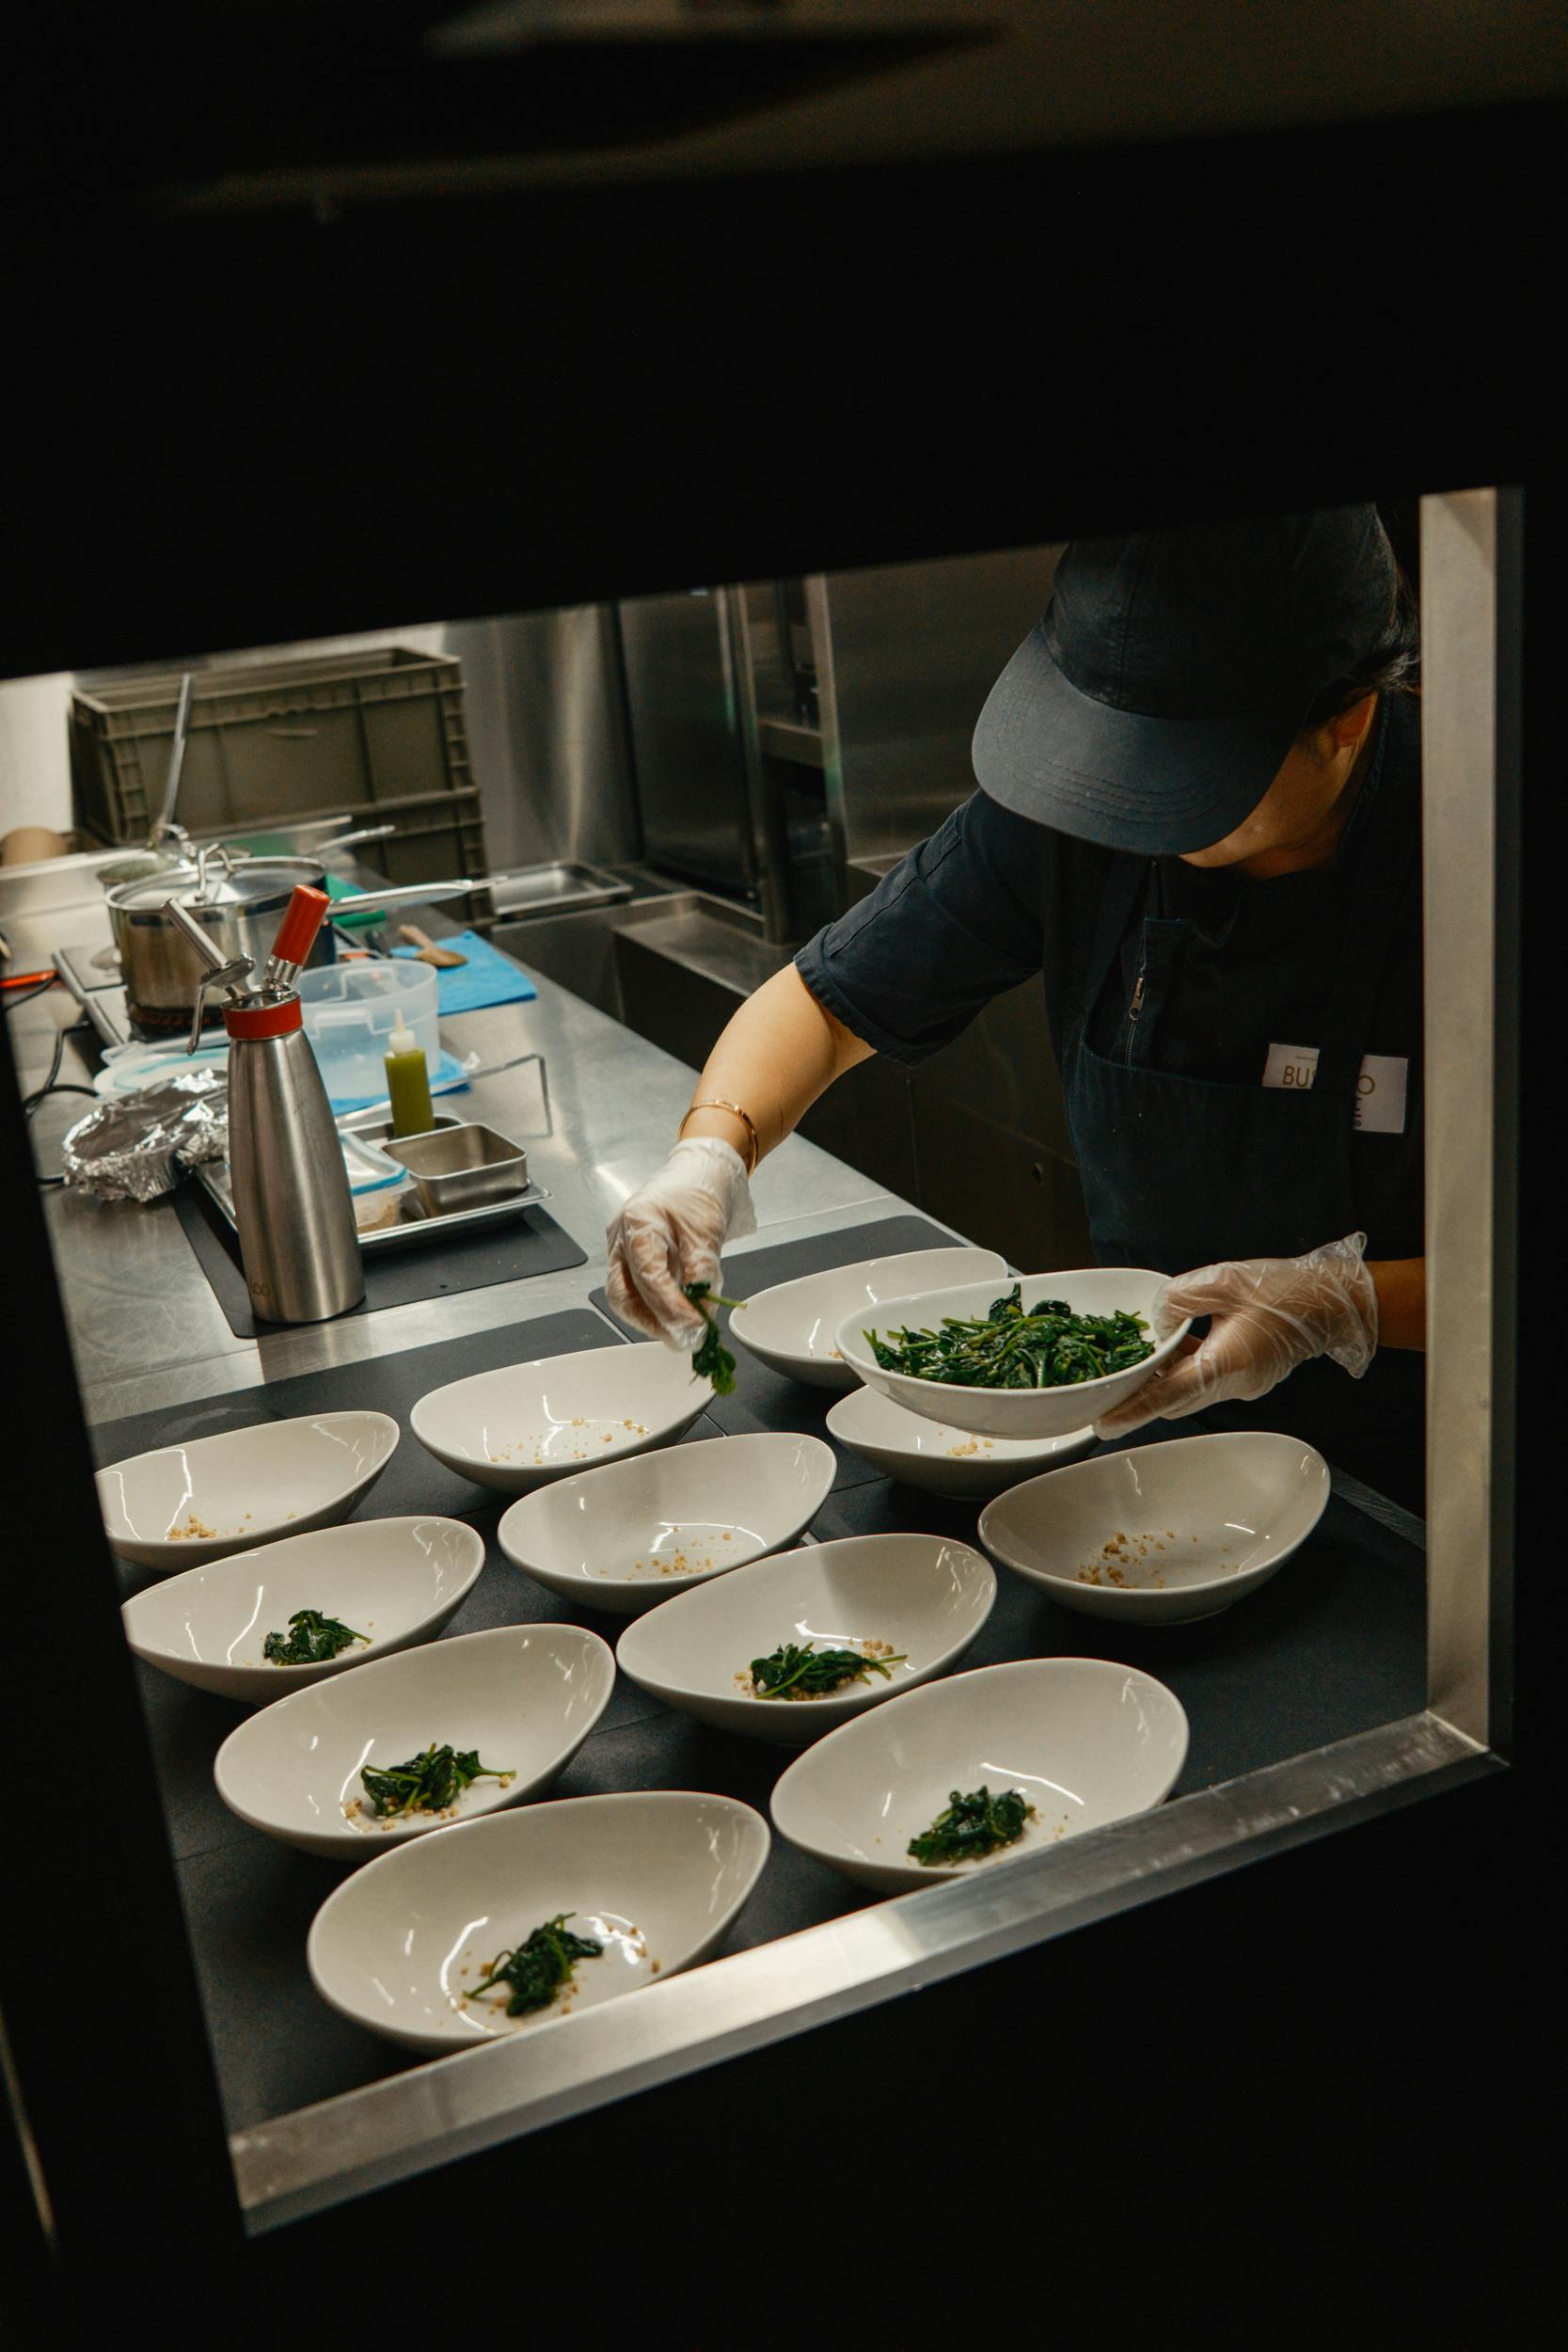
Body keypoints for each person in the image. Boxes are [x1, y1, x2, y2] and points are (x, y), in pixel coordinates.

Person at [607, 506, 1426, 1513]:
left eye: (1187, 779)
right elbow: (822, 1004)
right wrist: (707, 1158)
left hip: (1433, 1482)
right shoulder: (1089, 805)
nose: (1136, 809)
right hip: (1156, 1461)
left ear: (1345, 716)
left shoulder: (1482, 837)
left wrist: (1346, 1306)